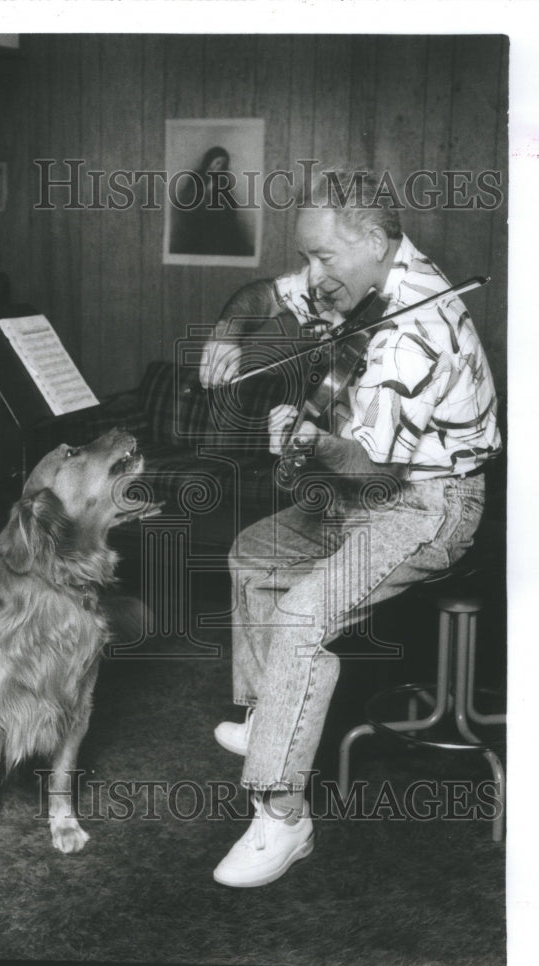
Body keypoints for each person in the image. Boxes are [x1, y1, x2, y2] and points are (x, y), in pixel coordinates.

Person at [198, 168, 501, 888]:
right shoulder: (353, 269)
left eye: (320, 258)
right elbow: (263, 294)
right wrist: (230, 329)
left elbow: (371, 474)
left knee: (303, 618)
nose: (309, 273)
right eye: (306, 255)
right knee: (254, 553)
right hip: (365, 484)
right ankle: (270, 716)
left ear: (369, 241)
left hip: (428, 504)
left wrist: (310, 443)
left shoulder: (414, 333)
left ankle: (282, 818)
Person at [169, 146, 254, 257]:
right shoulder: (196, 176)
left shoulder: (223, 179)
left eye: (223, 164)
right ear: (210, 161)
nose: (220, 166)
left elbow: (230, 204)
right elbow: (186, 198)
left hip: (216, 219)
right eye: (218, 162)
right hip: (196, 217)